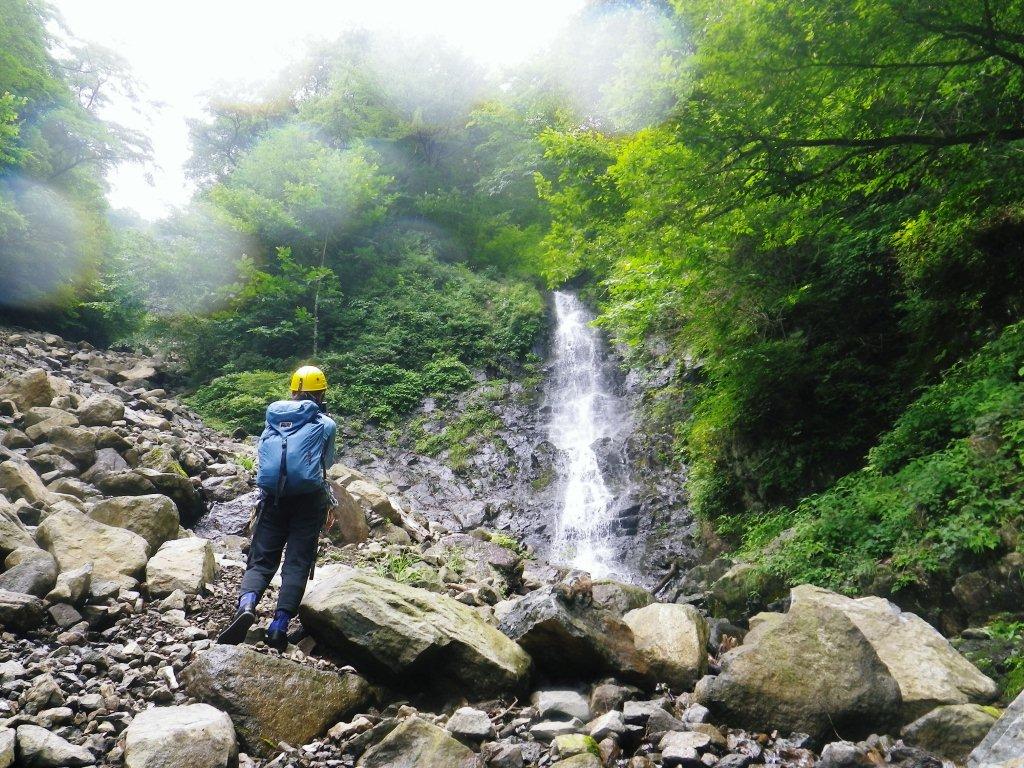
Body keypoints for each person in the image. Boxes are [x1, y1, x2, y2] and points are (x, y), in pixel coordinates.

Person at [217, 365, 337, 651]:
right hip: (309, 501)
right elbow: (327, 463)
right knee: (297, 561)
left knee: (261, 559)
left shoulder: (272, 420)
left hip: (273, 499)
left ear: (293, 390)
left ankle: (246, 607)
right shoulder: (326, 424)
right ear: (321, 392)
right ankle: (279, 626)